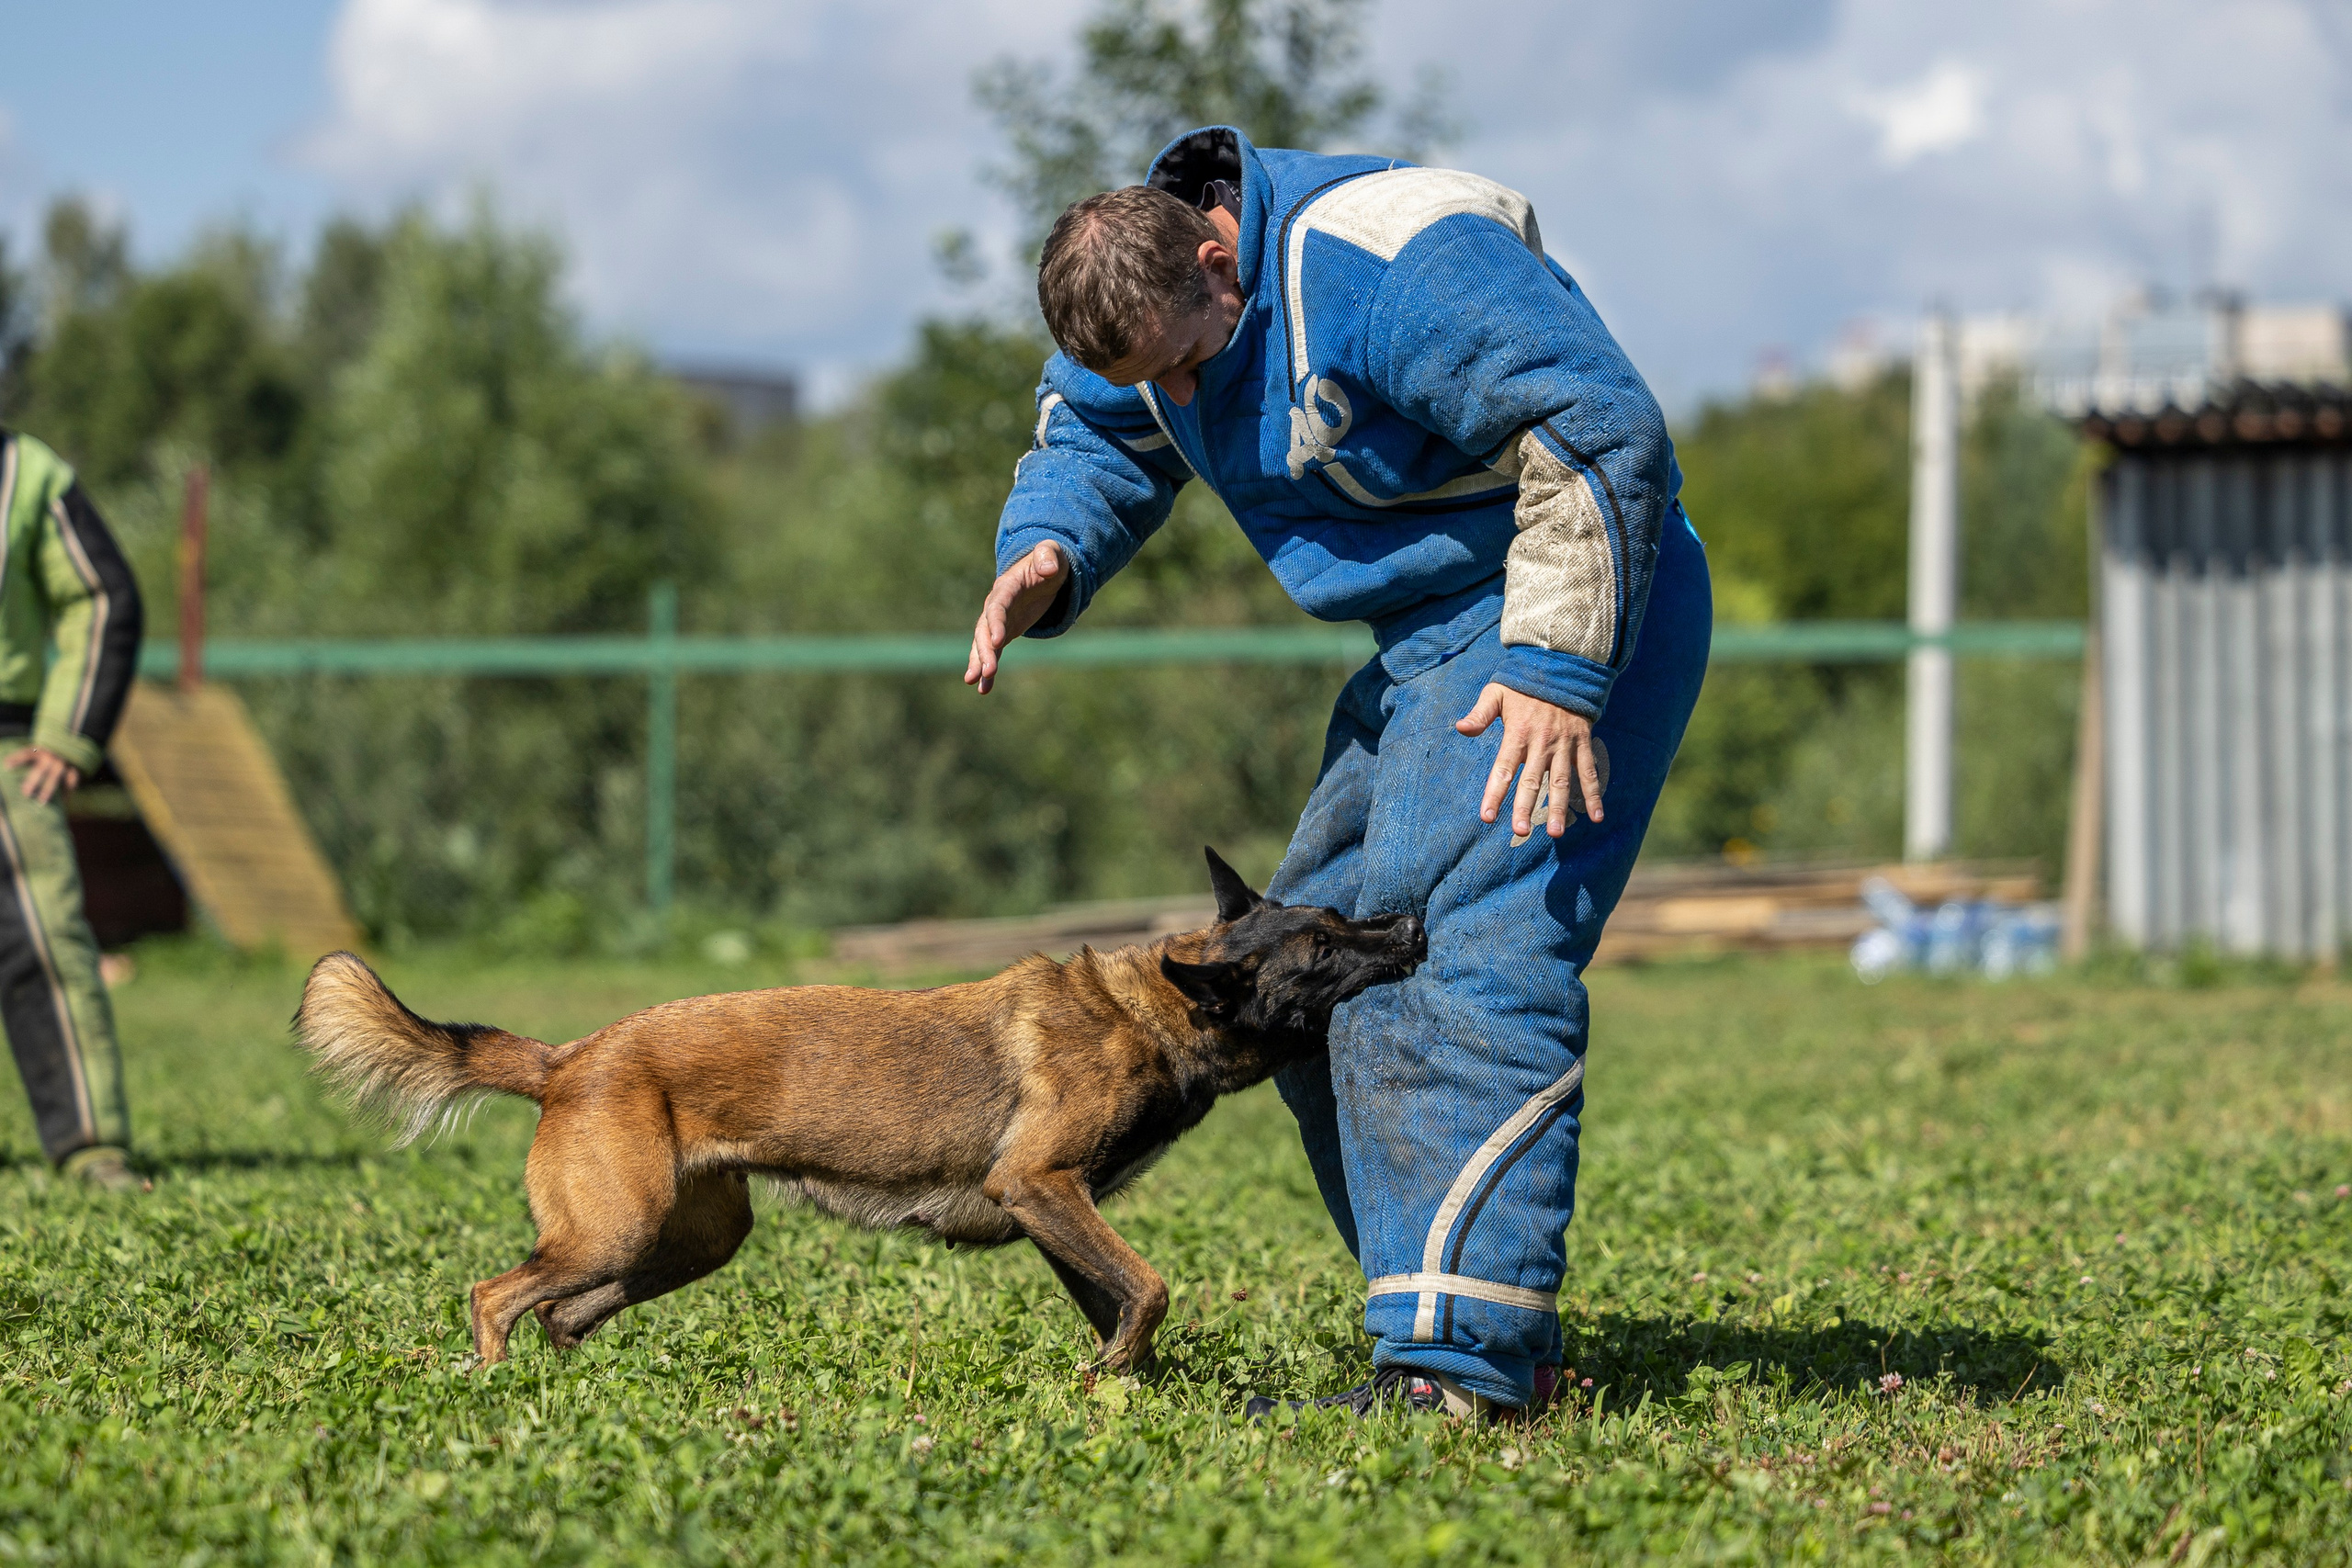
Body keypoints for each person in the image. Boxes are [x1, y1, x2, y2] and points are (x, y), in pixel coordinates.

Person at [967, 128, 1710, 1419]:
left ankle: (1458, 1374)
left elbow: (1599, 427)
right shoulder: (1147, 308)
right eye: (1153, 378)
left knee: (1428, 958)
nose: (1179, 394)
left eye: (1188, 362)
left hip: (1557, 608)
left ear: (1218, 260)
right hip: (1425, 644)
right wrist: (1049, 547)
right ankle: (1459, 1313)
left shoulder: (1394, 261)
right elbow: (1099, 430)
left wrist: (1554, 669)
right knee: (1291, 984)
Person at [0, 428, 144, 1191]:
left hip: (7, 758)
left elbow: (102, 594)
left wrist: (69, 728)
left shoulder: (25, 472)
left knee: (47, 946)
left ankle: (91, 1145)